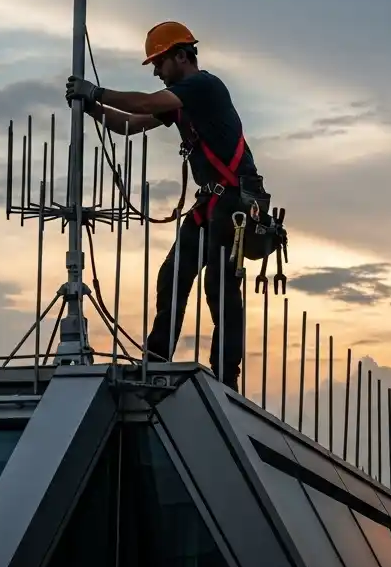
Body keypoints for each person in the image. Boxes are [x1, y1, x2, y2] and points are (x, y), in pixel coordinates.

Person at [65, 21, 263, 389]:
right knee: (172, 275)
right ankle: (156, 362)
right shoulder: (181, 102)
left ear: (181, 56)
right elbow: (128, 124)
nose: (156, 71)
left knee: (219, 289)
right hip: (213, 202)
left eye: (159, 62)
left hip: (233, 203)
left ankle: (226, 379)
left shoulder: (204, 86)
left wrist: (98, 90)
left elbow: (144, 101)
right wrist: (91, 106)